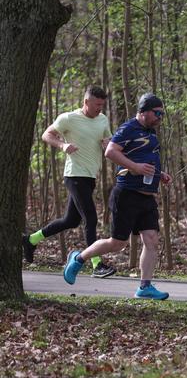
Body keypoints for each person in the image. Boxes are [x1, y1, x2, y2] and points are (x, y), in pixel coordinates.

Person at [63, 92, 172, 300]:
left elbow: (145, 162)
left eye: (162, 114)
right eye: (157, 113)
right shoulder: (128, 128)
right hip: (127, 195)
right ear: (144, 111)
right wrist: (135, 167)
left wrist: (160, 175)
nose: (160, 118)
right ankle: (78, 258)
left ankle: (145, 287)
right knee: (117, 243)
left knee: (151, 239)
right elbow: (110, 151)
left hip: (147, 196)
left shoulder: (151, 133)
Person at [23, 86, 117, 278]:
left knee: (71, 220)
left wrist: (108, 144)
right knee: (90, 218)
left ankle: (31, 240)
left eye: (102, 105)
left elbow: (107, 140)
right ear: (86, 102)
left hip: (90, 176)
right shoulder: (69, 118)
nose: (100, 108)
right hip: (74, 175)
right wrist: (63, 145)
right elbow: (47, 134)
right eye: (97, 104)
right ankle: (96, 264)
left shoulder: (103, 119)